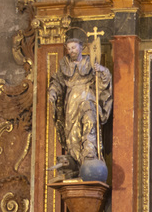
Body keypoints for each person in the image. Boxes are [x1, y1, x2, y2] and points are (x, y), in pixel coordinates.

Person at [48, 35, 113, 177]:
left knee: (90, 124)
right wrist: (53, 92)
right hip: (71, 102)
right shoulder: (64, 65)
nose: (71, 51)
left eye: (74, 47)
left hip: (87, 97)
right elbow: (57, 82)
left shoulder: (90, 63)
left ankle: (89, 160)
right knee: (72, 134)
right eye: (69, 48)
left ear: (81, 47)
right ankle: (77, 167)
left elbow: (104, 80)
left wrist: (101, 70)